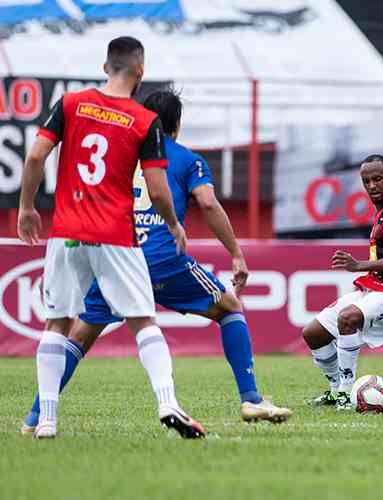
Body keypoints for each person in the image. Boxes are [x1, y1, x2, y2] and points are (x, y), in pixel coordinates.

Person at [20, 89, 291, 436]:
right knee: (228, 306)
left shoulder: (121, 151)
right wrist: (236, 253)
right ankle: (250, 398)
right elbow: (207, 203)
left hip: (115, 254)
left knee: (79, 335)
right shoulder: (186, 159)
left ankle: (34, 418)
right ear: (176, 125)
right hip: (163, 259)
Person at [17, 37, 204, 438]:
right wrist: (173, 224)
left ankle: (46, 419)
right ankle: (167, 402)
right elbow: (156, 190)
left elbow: (34, 156)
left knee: (57, 322)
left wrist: (27, 207)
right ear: (140, 71)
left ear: (106, 68)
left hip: (67, 231)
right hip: (115, 234)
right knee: (143, 321)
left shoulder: (70, 104)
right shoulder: (143, 120)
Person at [302, 155, 383, 410]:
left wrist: (358, 265)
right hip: (373, 288)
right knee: (313, 333)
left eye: (377, 179)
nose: (372, 186)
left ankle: (345, 394)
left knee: (348, 318)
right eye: (366, 181)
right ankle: (334, 390)